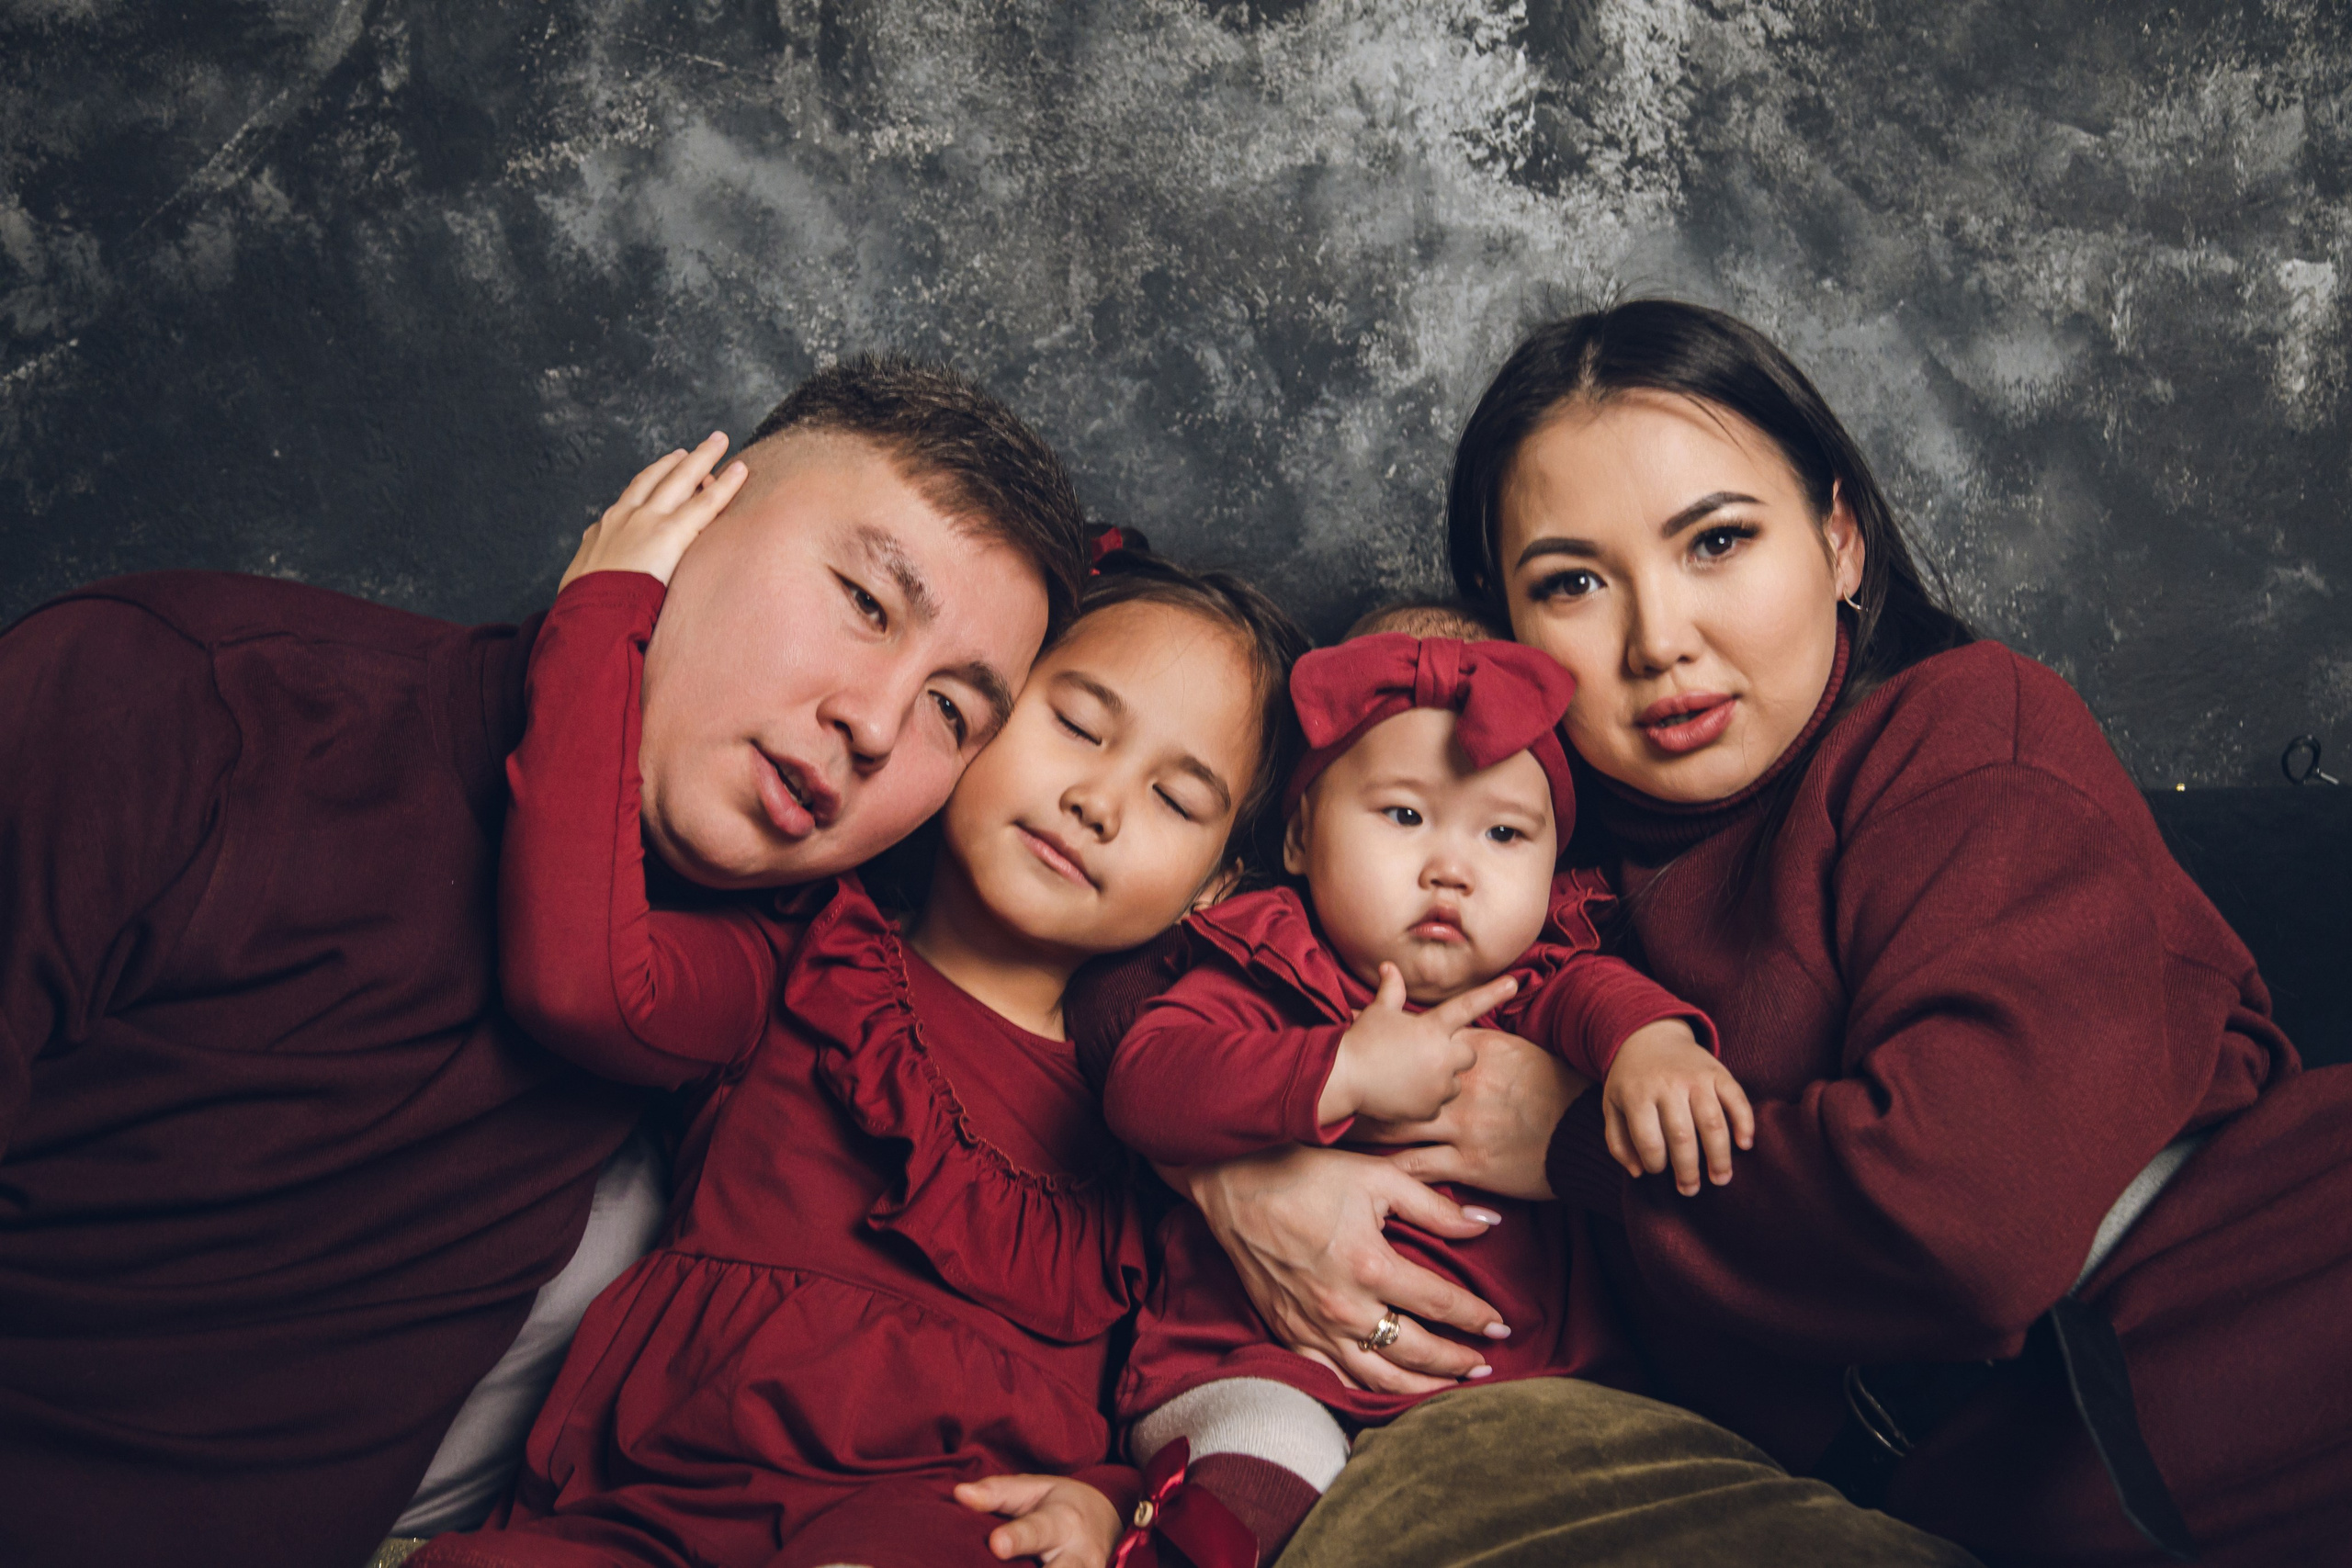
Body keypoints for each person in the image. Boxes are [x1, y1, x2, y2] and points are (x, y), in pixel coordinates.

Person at [1136, 299, 2352, 1567]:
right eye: (1573, 582)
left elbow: (1968, 1219)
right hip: (1915, 1483)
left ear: (1841, 540)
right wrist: (1233, 1167)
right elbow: (1161, 954)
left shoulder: (1964, 732)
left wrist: (1562, 1140)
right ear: (1508, 629)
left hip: (2248, 1344)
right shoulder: (1520, 845)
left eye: (1716, 540)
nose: (1662, 639)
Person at [0, 357, 1089, 1568]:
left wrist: (1275, 1158)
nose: (878, 723)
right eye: (868, 603)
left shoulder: (795, 966)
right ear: (686, 513)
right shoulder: (191, 703)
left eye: (954, 711)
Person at [403, 454, 1309, 1568]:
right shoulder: (803, 949)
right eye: (1076, 725)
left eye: (1176, 800)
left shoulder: (1158, 1121)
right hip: (655, 1501)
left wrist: (1108, 1503)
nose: (1098, 802)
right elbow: (580, 982)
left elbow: (1177, 1383)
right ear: (967, 720)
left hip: (938, 1526)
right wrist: (604, 617)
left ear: (1216, 889)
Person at [1099, 614, 1744, 1565]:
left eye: (1503, 833)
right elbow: (1146, 1086)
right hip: (1264, 1365)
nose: (1451, 867)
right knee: (1264, 1468)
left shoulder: (1542, 982)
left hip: (1514, 1385)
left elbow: (1606, 1000)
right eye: (1403, 815)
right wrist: (1339, 1069)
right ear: (1301, 833)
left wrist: (1656, 1048)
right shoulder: (1268, 965)